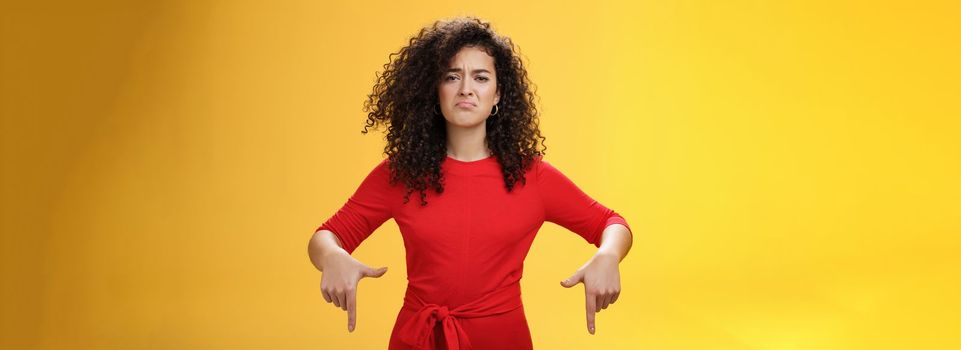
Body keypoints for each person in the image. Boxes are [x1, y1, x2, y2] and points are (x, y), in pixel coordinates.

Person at [307, 16, 633, 350]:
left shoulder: (531, 176)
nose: (466, 88)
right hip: (418, 339)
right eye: (452, 77)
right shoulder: (401, 173)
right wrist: (332, 255)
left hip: (503, 340)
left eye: (480, 77)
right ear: (435, 92)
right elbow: (325, 236)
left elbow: (612, 223)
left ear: (497, 95)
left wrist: (608, 255)